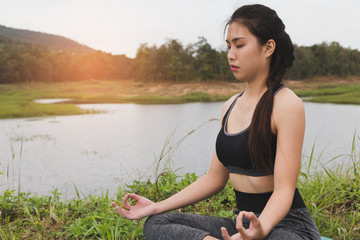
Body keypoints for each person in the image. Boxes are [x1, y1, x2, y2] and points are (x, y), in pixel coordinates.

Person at [112, 4, 321, 240]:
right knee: (158, 223)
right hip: (242, 224)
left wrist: (258, 229)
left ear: (268, 47)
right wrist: (157, 206)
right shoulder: (229, 106)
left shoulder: (286, 104)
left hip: (288, 227)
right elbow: (215, 178)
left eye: (240, 45)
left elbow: (284, 189)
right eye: (229, 46)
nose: (231, 54)